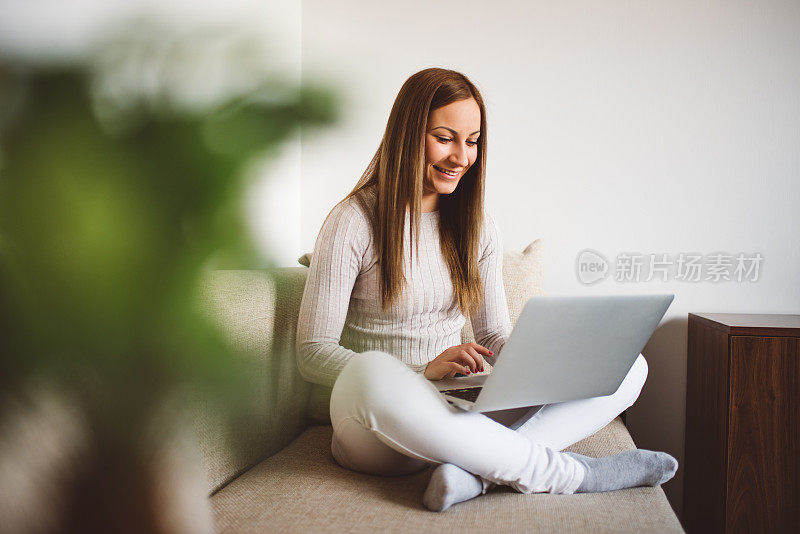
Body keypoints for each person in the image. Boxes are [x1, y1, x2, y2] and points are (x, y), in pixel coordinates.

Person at [296, 67, 677, 512]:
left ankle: (468, 475)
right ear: (406, 135)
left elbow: (494, 336)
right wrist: (420, 372)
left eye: (472, 141)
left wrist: (536, 364)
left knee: (629, 365)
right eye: (444, 137)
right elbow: (312, 351)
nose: (461, 156)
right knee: (372, 372)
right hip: (378, 425)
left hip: (458, 408)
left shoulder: (477, 227)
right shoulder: (353, 221)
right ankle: (566, 472)